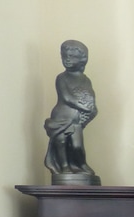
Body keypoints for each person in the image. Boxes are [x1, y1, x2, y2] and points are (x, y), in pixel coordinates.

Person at [44, 40, 98, 181]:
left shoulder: (86, 80)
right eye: (65, 56)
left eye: (72, 56)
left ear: (82, 59)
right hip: (61, 116)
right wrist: (84, 107)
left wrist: (92, 108)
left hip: (76, 119)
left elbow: (90, 96)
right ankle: (64, 167)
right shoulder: (61, 77)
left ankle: (80, 165)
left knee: (77, 146)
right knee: (61, 142)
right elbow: (67, 97)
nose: (67, 59)